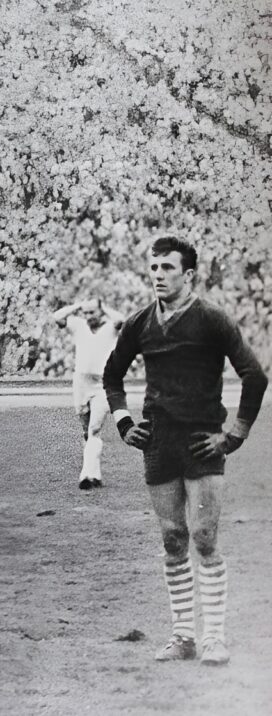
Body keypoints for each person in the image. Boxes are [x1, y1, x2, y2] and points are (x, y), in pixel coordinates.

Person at [103, 236, 268, 666]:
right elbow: (112, 376)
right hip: (159, 444)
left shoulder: (212, 319)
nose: (158, 275)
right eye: (154, 267)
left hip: (202, 442)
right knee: (173, 538)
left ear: (188, 274)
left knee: (205, 538)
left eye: (168, 268)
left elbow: (254, 376)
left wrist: (233, 436)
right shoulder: (139, 323)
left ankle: (213, 638)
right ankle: (182, 637)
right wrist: (124, 424)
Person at [51, 298, 125, 490]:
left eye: (92, 312)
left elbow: (121, 319)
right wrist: (77, 306)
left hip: (102, 384)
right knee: (87, 432)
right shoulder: (78, 325)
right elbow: (57, 317)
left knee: (94, 429)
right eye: (86, 313)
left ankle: (85, 475)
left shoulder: (110, 327)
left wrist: (103, 307)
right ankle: (95, 474)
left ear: (100, 312)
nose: (89, 316)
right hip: (81, 383)